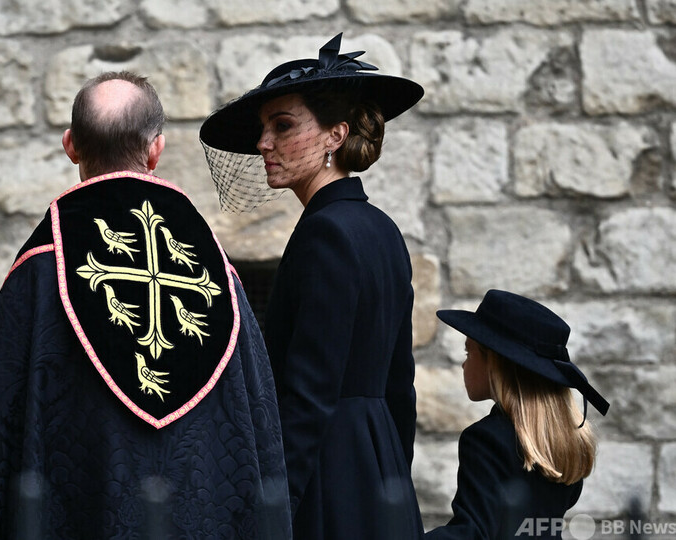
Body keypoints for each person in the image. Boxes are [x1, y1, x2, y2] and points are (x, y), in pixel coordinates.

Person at [0, 71, 291, 539]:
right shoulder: (217, 271)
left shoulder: (42, 269)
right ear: (156, 149)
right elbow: (256, 425)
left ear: (71, 146)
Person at [199, 34, 425, 539]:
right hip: (378, 467)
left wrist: (277, 505)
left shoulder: (326, 233)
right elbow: (400, 387)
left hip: (329, 473)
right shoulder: (382, 228)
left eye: (283, 126)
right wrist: (392, 477)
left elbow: (309, 393)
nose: (264, 143)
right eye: (263, 129)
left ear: (335, 135)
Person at [427, 289, 610, 540]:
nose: (463, 363)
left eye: (469, 352)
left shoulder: (485, 439)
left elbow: (473, 532)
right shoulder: (564, 443)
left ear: (494, 363)